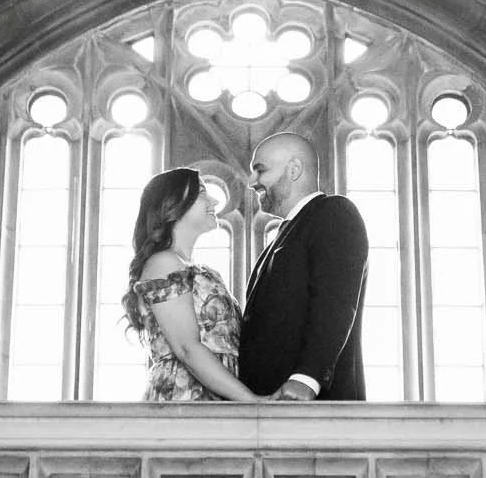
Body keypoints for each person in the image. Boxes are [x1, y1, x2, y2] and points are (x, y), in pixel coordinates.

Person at [237, 131, 368, 401]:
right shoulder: (278, 239)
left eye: (260, 170)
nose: (252, 182)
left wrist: (307, 378)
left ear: (294, 169)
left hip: (313, 407)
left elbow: (336, 302)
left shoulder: (334, 213)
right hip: (269, 407)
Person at [121, 167, 262, 402]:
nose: (215, 200)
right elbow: (187, 348)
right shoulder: (164, 262)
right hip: (186, 399)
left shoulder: (189, 267)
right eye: (202, 192)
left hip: (218, 397)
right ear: (172, 205)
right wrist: (254, 402)